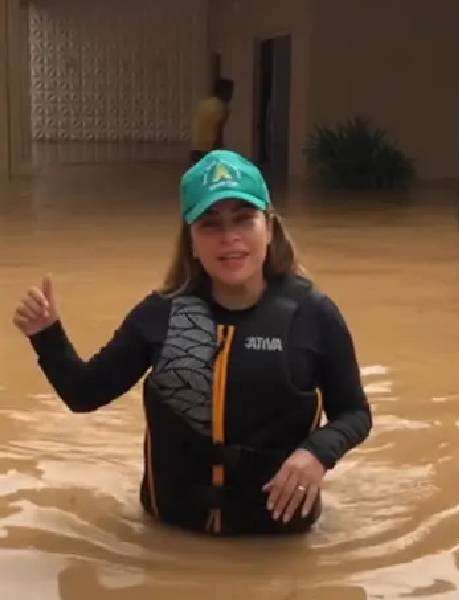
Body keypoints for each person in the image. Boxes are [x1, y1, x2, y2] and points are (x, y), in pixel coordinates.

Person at [12, 150, 372, 536]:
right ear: (191, 241)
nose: (229, 237)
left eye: (243, 219)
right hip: (168, 537)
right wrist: (47, 335)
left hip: (277, 546)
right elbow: (84, 394)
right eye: (210, 223)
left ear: (268, 227)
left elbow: (354, 413)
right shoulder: (159, 314)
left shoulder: (314, 315)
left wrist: (316, 454)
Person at [190, 78, 234, 166]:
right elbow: (218, 131)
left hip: (195, 147)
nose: (231, 95)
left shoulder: (203, 104)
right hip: (210, 148)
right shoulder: (222, 107)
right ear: (225, 92)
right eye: (230, 92)